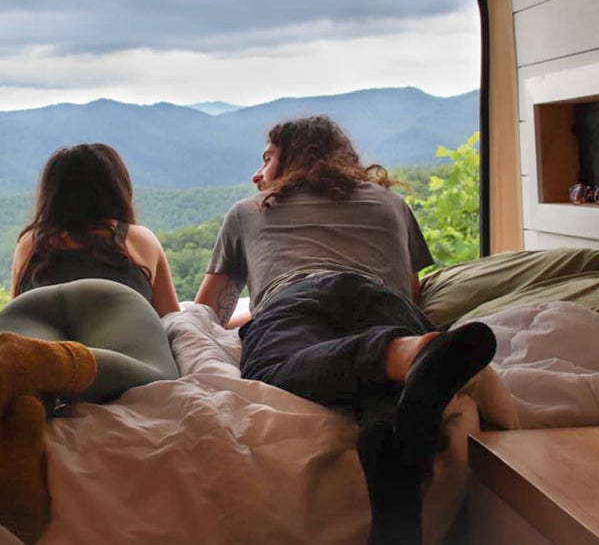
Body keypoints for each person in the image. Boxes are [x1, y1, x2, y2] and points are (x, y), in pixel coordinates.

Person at [194, 116, 495, 545]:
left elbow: (208, 313)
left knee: (274, 365)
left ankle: (405, 355)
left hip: (295, 299)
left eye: (267, 159)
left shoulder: (248, 210)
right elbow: (411, 291)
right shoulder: (391, 204)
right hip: (382, 300)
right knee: (388, 402)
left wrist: (255, 319)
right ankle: (388, 456)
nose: (256, 174)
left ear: (294, 161)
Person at [0, 143, 181, 543]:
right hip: (108, 302)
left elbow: (13, 298)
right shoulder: (137, 239)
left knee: (15, 359)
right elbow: (170, 315)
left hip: (26, 315)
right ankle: (55, 364)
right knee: (156, 372)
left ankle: (30, 399)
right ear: (118, 188)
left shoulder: (30, 242)